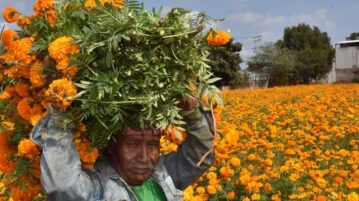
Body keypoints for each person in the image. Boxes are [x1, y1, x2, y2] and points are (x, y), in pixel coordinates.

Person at [30, 99, 215, 201]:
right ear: (111, 146)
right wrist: (61, 108)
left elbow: (201, 156)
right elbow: (63, 187)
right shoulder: (98, 188)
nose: (144, 158)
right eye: (132, 144)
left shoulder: (163, 174)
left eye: (152, 145)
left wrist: (193, 115)